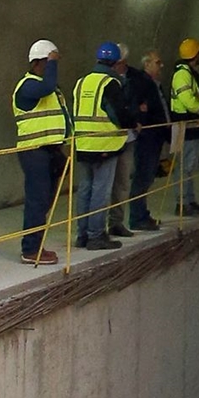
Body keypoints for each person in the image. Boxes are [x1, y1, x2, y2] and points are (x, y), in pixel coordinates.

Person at [11, 39, 67, 265]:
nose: (51, 67)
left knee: (45, 201)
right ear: (37, 63)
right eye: (47, 62)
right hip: (34, 152)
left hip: (50, 151)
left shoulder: (48, 87)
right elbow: (47, 87)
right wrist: (52, 62)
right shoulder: (28, 85)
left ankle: (37, 244)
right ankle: (30, 249)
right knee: (37, 200)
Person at [72, 43, 132, 250]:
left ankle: (82, 235)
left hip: (83, 144)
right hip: (104, 145)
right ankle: (96, 236)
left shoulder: (81, 82)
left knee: (85, 189)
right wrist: (133, 122)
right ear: (116, 63)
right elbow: (119, 114)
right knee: (101, 191)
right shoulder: (110, 83)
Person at [122, 49, 168, 232]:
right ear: (147, 63)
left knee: (148, 176)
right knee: (142, 176)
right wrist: (142, 115)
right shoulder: (141, 82)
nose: (161, 66)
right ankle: (137, 217)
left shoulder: (154, 84)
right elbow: (137, 105)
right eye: (157, 62)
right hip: (147, 136)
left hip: (156, 135)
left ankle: (142, 213)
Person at [168, 38, 199, 214]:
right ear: (195, 54)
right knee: (184, 167)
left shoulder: (188, 73)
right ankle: (182, 204)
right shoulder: (182, 74)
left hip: (191, 127)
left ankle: (189, 200)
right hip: (185, 126)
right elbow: (188, 99)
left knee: (190, 166)